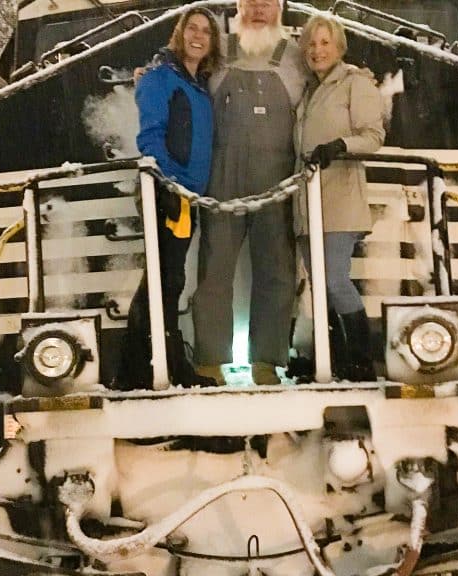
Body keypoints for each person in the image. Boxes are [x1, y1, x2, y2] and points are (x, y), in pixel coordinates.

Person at [190, 0, 308, 386]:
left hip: (278, 178)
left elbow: (331, 79)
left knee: (277, 270)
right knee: (214, 271)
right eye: (251, 1)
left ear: (280, 8)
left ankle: (266, 362)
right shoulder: (217, 47)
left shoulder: (298, 55)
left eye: (267, 2)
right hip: (222, 178)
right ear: (238, 6)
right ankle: (209, 361)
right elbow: (180, 63)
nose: (259, 9)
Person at [115, 7, 222, 389]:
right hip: (168, 193)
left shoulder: (196, 83)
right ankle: (165, 368)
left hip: (186, 196)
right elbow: (150, 138)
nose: (198, 36)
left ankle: (137, 370)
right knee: (166, 280)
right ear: (179, 33)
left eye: (206, 32)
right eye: (191, 28)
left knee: (165, 281)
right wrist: (171, 184)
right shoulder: (161, 79)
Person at [293, 14, 385, 381]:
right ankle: (333, 361)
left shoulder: (355, 83)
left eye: (325, 42)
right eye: (312, 44)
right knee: (320, 286)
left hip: (340, 201)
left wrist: (340, 146)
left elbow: (373, 135)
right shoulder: (307, 90)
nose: (317, 50)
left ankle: (361, 360)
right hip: (307, 204)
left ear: (340, 47)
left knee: (334, 281)